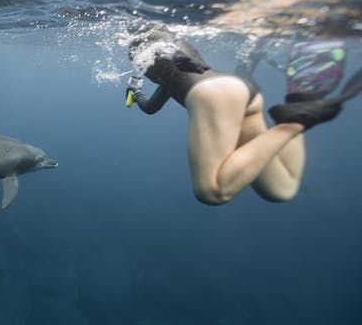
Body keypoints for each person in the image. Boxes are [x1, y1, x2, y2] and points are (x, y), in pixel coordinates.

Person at [125, 27, 361, 205]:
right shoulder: (172, 55)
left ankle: (298, 121)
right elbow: (179, 73)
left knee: (212, 191)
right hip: (234, 88)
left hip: (215, 95)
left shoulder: (142, 49)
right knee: (281, 190)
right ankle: (299, 104)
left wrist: (135, 95)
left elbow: (152, 106)